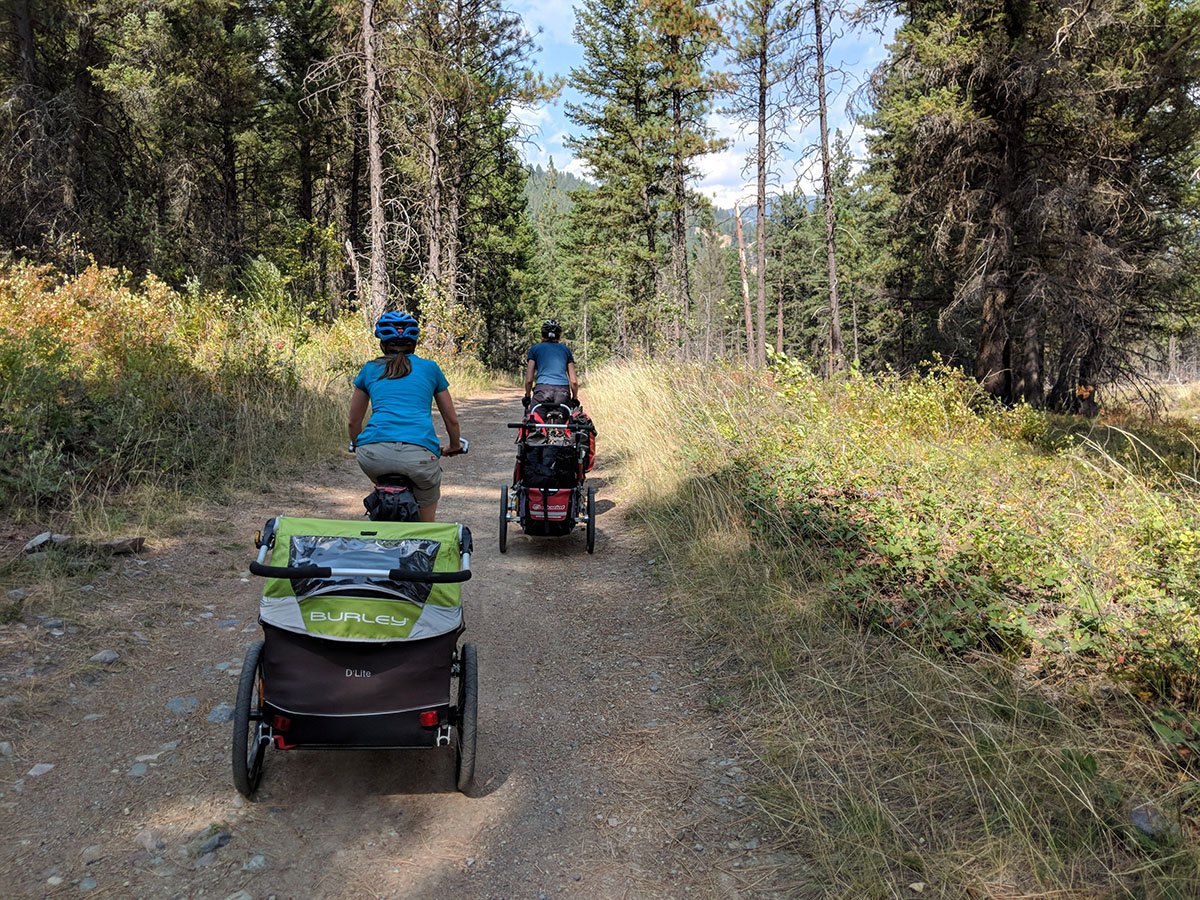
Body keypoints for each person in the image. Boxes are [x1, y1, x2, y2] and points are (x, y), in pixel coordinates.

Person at [348, 311, 462, 523]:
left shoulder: (370, 369)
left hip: (373, 454)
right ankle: (424, 539)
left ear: (382, 345)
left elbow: (353, 422)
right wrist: (454, 445)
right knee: (426, 522)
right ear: (415, 343)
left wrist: (357, 445)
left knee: (380, 480)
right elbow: (451, 420)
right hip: (419, 455)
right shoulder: (430, 368)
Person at [524, 319, 578, 410]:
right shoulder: (566, 350)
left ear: (542, 335)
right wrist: (575, 398)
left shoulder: (534, 349)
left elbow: (529, 380)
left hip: (542, 391)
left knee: (535, 420)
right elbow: (574, 381)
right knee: (564, 422)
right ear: (558, 336)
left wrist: (528, 396)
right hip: (562, 392)